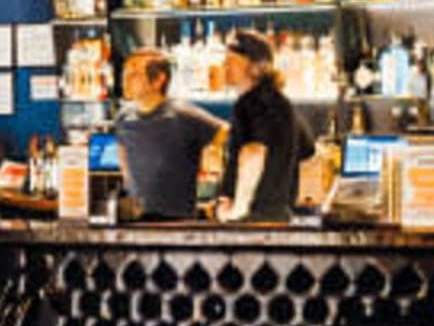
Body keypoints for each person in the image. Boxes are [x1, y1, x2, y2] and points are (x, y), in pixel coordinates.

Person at [210, 30, 315, 223]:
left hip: (254, 218)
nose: (225, 66)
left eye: (232, 61)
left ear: (256, 66)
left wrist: (238, 210)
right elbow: (308, 148)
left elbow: (254, 152)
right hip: (279, 216)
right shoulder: (280, 102)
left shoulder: (251, 103)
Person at [107, 47, 225, 219]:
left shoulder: (182, 113)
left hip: (178, 219)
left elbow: (224, 130)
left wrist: (213, 151)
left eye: (134, 75)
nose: (125, 80)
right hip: (136, 217)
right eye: (124, 74)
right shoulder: (123, 116)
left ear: (158, 80)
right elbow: (122, 148)